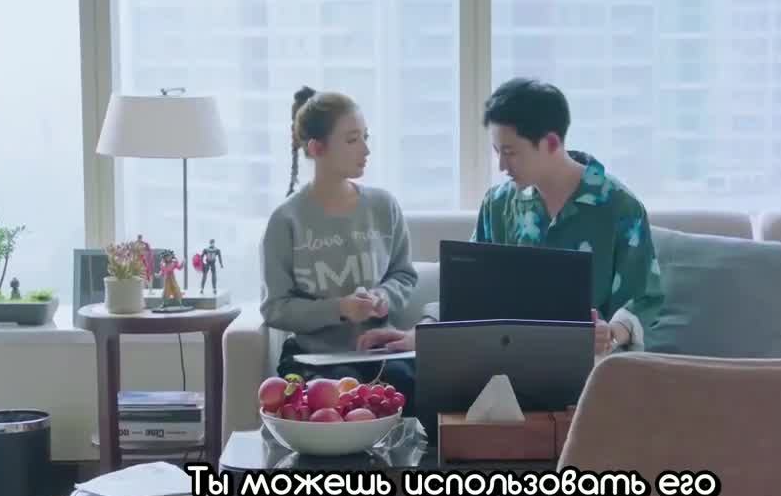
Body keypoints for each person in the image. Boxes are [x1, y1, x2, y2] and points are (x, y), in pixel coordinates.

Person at [357, 77, 666, 360]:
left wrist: (611, 333)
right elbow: (468, 290)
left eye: (511, 152)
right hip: (502, 359)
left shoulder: (619, 207)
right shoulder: (498, 204)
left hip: (592, 368)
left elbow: (645, 298)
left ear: (551, 143)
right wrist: (423, 332)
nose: (502, 165)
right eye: (497, 152)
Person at [260, 86, 419, 401]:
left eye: (365, 137)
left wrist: (383, 297)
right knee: (337, 394)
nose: (366, 149)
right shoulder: (286, 220)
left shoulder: (383, 206)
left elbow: (403, 275)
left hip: (379, 352)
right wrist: (340, 309)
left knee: (404, 385)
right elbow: (275, 308)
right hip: (312, 357)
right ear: (317, 148)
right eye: (352, 140)